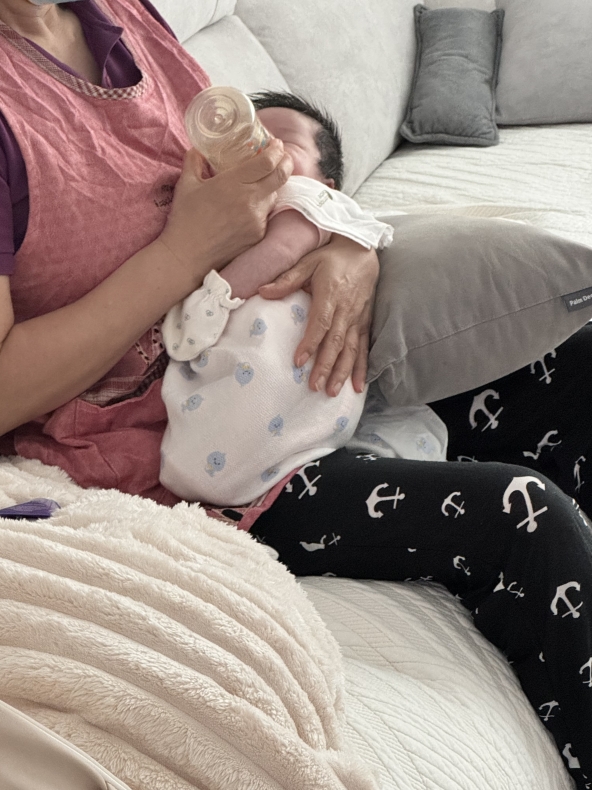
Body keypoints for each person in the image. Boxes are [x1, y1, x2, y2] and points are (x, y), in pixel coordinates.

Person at [0, 1, 590, 784]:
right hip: (192, 453)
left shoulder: (120, 18)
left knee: (577, 367)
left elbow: (258, 187)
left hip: (286, 352)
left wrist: (347, 243)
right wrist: (185, 253)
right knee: (524, 516)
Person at [159, 91, 405, 507]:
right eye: (246, 138)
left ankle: (222, 475)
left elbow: (280, 251)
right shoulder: (230, 216)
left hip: (285, 371)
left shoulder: (306, 198)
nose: (259, 149)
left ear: (325, 183)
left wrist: (209, 303)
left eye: (282, 143)